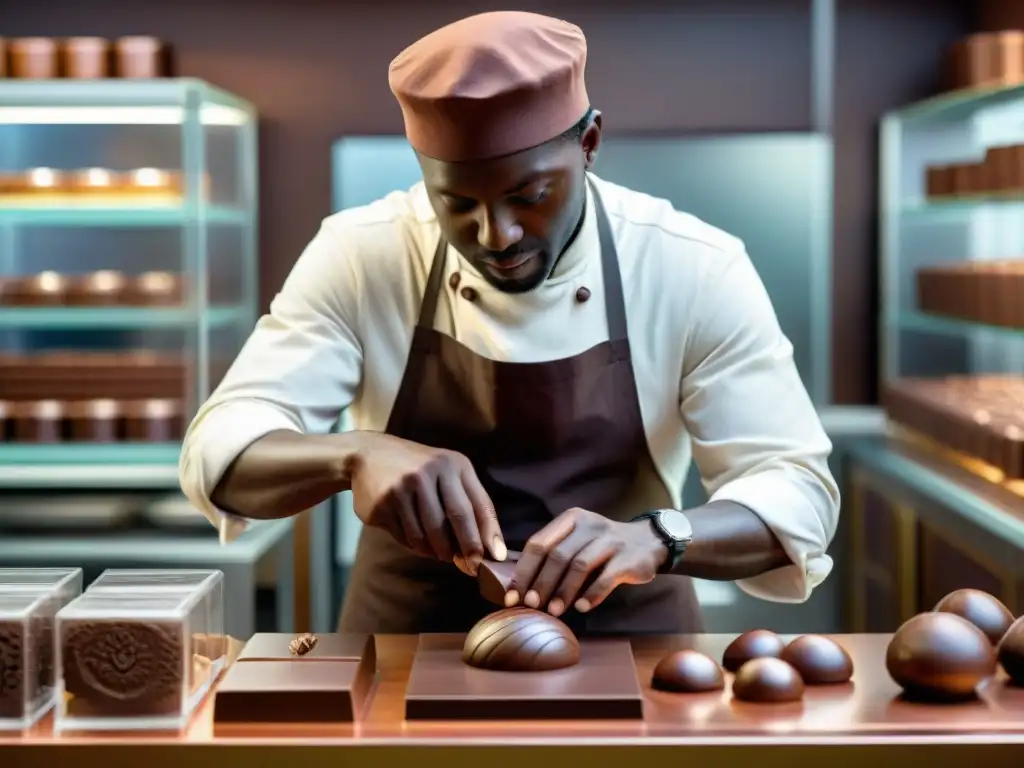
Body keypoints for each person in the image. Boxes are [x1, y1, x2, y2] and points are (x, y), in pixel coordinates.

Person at [179, 11, 839, 635]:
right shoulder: (364, 253)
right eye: (457, 203)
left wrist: (656, 537)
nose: (497, 235)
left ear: (589, 143)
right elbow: (220, 451)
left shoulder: (691, 266)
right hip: (406, 648)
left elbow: (798, 495)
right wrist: (356, 454)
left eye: (530, 195)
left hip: (634, 649)